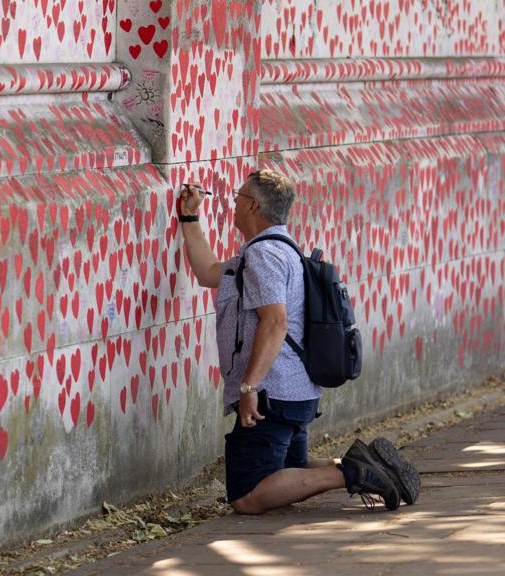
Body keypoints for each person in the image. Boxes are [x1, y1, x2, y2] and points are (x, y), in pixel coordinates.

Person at [177, 169, 420, 514]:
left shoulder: (264, 256)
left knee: (247, 496)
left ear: (253, 206)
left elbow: (275, 322)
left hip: (273, 394)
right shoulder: (275, 250)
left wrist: (249, 389)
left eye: (238, 197)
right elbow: (208, 273)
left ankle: (356, 472)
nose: (233, 203)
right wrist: (190, 216)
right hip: (294, 392)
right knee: (283, 472)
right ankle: (366, 463)